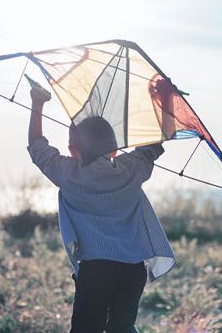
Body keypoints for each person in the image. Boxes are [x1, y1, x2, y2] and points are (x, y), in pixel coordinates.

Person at [26, 79, 175, 333]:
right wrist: (165, 97)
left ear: (73, 150)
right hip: (132, 270)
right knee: (122, 328)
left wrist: (38, 102)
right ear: (115, 150)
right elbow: (164, 135)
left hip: (96, 270)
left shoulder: (68, 174)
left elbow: (37, 146)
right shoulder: (132, 169)